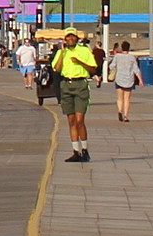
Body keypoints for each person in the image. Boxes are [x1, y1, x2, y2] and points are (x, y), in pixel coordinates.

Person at [50, 34, 99, 162]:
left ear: (77, 39)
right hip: (66, 84)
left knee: (79, 120)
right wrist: (61, 52)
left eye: (73, 38)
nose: (70, 40)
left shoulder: (84, 51)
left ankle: (85, 150)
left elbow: (93, 69)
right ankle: (75, 151)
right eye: (68, 38)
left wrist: (79, 62)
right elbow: (57, 68)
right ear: (65, 40)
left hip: (80, 84)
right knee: (71, 121)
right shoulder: (61, 52)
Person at [106, 40, 142, 123]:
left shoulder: (117, 56)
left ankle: (119, 111)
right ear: (129, 48)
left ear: (122, 48)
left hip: (119, 79)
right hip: (129, 79)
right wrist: (140, 80)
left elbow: (111, 66)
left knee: (119, 97)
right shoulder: (132, 57)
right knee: (127, 98)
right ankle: (126, 116)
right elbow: (136, 70)